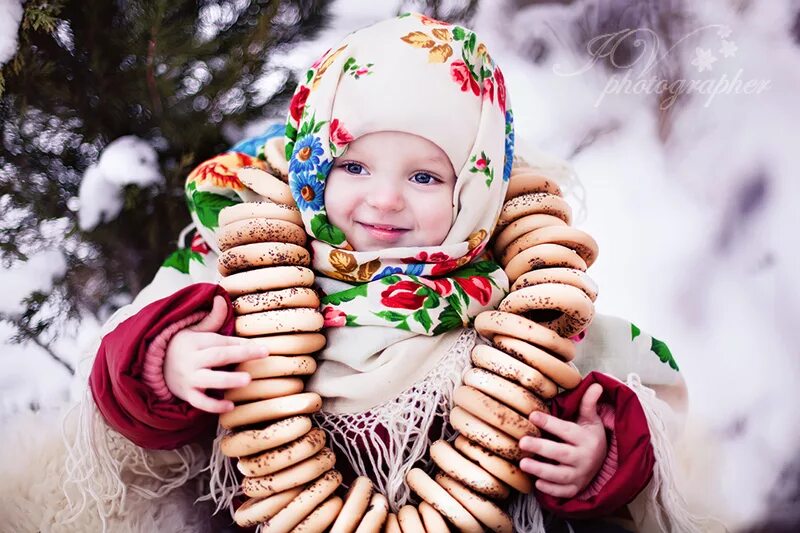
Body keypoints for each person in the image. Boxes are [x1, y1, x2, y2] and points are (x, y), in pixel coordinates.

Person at [59, 11, 701, 533]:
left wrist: (596, 455)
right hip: (260, 511)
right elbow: (134, 347)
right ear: (313, 159)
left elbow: (614, 391)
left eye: (424, 177)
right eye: (354, 167)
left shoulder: (521, 292)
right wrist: (168, 364)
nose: (384, 199)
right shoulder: (245, 255)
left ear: (475, 187)